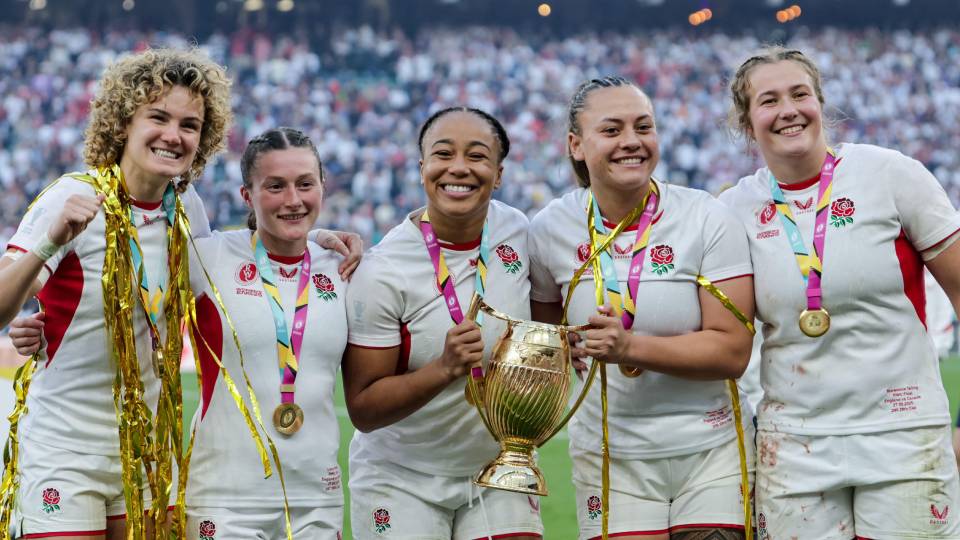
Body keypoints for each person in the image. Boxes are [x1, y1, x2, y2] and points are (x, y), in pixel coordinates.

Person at [0, 50, 359, 540]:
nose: (174, 135)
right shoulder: (71, 197)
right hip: (66, 448)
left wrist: (312, 239)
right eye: (159, 117)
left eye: (189, 125)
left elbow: (233, 260)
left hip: (149, 455)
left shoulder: (187, 206)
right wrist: (49, 243)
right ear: (123, 122)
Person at [718, 46, 960, 539]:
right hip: (794, 446)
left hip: (904, 433)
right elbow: (720, 336)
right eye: (769, 100)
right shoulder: (733, 209)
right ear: (746, 123)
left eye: (800, 94)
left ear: (820, 104)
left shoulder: (891, 175)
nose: (788, 110)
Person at [528, 76, 756, 540]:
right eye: (611, 130)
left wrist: (630, 347)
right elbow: (544, 341)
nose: (631, 141)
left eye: (644, 127)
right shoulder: (550, 228)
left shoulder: (705, 216)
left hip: (709, 449)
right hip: (609, 458)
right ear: (576, 145)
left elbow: (733, 351)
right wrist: (557, 350)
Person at [342, 107, 543, 539]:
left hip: (498, 467)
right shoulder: (384, 269)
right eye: (443, 154)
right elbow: (363, 409)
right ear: (422, 168)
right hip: (401, 475)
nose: (459, 168)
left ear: (499, 174)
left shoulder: (517, 230)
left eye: (477, 156)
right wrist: (444, 368)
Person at [183, 127, 346, 539]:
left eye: (305, 184)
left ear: (323, 187)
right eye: (275, 186)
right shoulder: (208, 257)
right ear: (247, 195)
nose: (293, 199)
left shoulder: (344, 267)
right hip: (225, 499)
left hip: (317, 499)